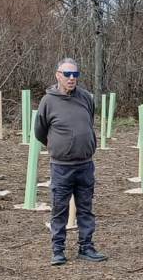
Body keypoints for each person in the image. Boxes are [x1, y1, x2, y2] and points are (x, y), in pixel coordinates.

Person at [34, 57, 106, 266]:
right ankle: (58, 250)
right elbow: (40, 130)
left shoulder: (85, 97)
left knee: (85, 207)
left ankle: (86, 247)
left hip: (85, 164)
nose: (72, 79)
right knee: (59, 208)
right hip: (61, 167)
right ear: (58, 75)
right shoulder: (48, 101)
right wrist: (57, 145)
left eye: (75, 74)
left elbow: (89, 121)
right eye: (67, 74)